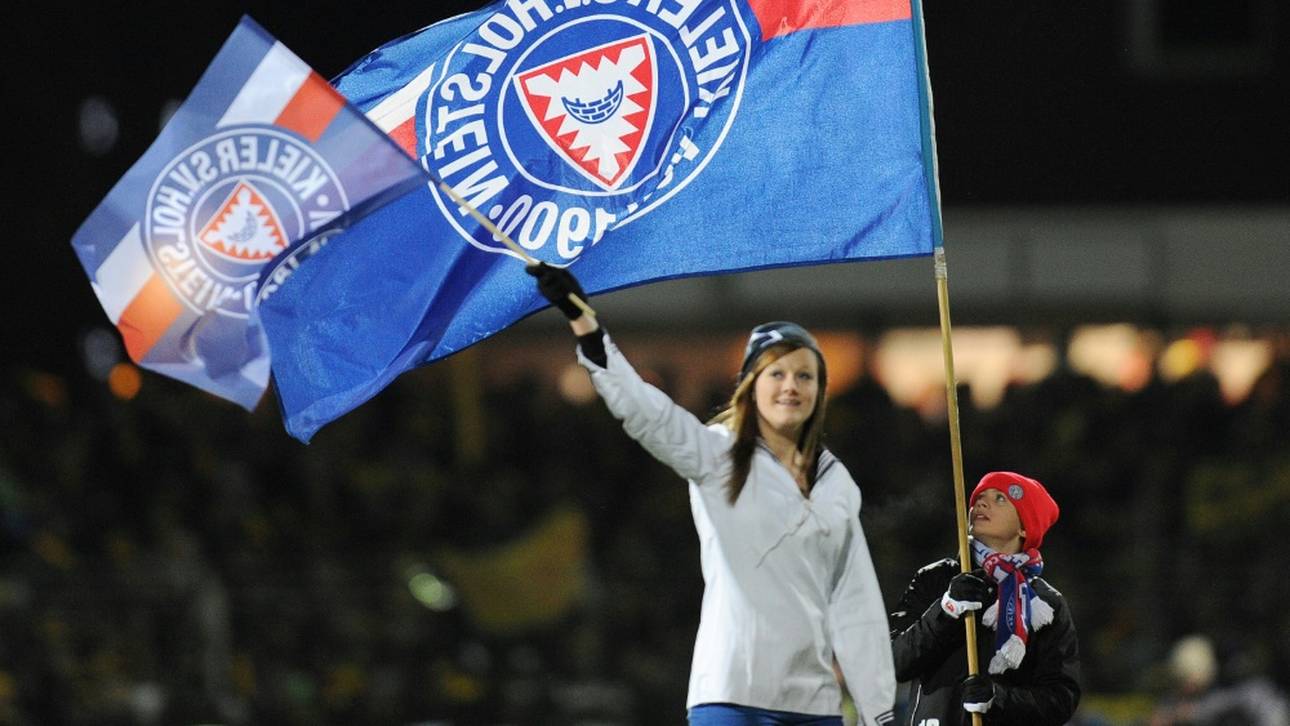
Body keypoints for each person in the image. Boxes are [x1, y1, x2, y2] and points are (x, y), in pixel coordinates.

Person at [528, 263, 896, 725]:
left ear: (821, 391)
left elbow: (855, 599)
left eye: (805, 376)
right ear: (750, 387)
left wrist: (879, 710)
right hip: (730, 696)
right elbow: (650, 414)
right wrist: (587, 325)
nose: (791, 387)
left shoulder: (835, 481)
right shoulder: (717, 454)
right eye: (776, 373)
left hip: (814, 706)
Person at [888, 471, 1080, 725]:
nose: (981, 503)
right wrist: (946, 610)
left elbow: (1060, 699)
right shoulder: (935, 578)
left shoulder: (1046, 603)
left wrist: (997, 698)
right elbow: (894, 662)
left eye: (1000, 498)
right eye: (979, 497)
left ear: (1025, 526)